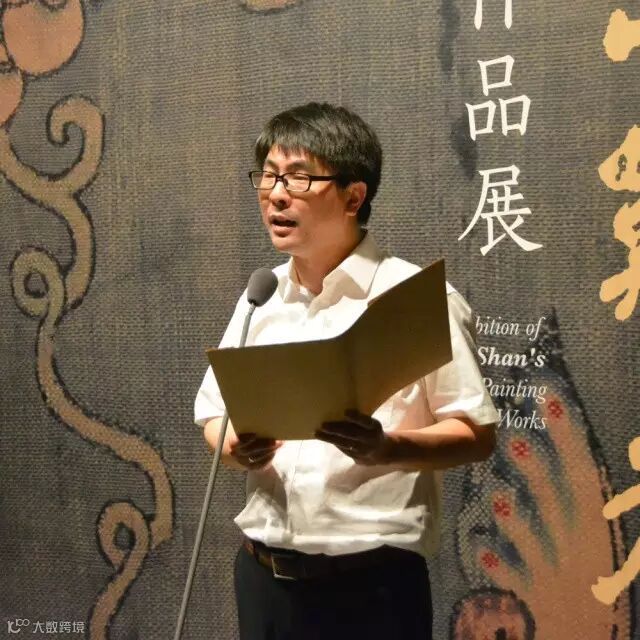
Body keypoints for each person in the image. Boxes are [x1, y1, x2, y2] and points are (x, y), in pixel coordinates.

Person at [194, 102, 498, 640]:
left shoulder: (415, 299)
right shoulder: (261, 296)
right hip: (264, 577)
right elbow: (214, 415)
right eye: (268, 176)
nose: (276, 195)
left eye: (298, 178)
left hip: (370, 588)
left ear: (353, 197)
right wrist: (235, 445)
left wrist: (388, 448)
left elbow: (476, 433)